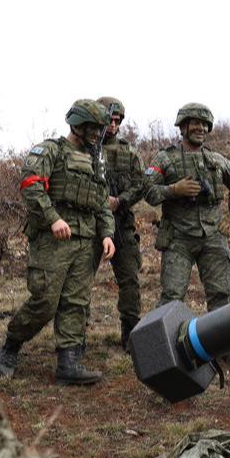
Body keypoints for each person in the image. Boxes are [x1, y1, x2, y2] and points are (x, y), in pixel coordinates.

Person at [0, 100, 116, 384]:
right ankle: (10, 346)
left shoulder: (95, 159)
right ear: (77, 125)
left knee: (76, 302)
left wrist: (107, 233)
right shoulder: (51, 149)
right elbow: (30, 184)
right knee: (45, 301)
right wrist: (52, 218)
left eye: (100, 129)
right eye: (93, 128)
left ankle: (69, 364)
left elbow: (101, 201)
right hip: (54, 239)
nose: (99, 133)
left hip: (86, 240)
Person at [144, 102, 230, 367]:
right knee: (171, 296)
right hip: (178, 236)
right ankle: (162, 349)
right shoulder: (164, 158)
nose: (200, 128)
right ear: (182, 126)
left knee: (220, 293)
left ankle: (224, 344)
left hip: (213, 235)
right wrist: (174, 190)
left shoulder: (216, 159)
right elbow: (147, 191)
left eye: (204, 124)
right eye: (194, 123)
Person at [96, 96, 149, 351]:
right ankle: (75, 338)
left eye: (117, 121)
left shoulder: (129, 152)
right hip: (90, 225)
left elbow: (141, 185)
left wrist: (119, 201)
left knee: (130, 280)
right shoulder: (84, 151)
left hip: (122, 223)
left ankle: (130, 334)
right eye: (109, 120)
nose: (113, 125)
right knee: (79, 282)